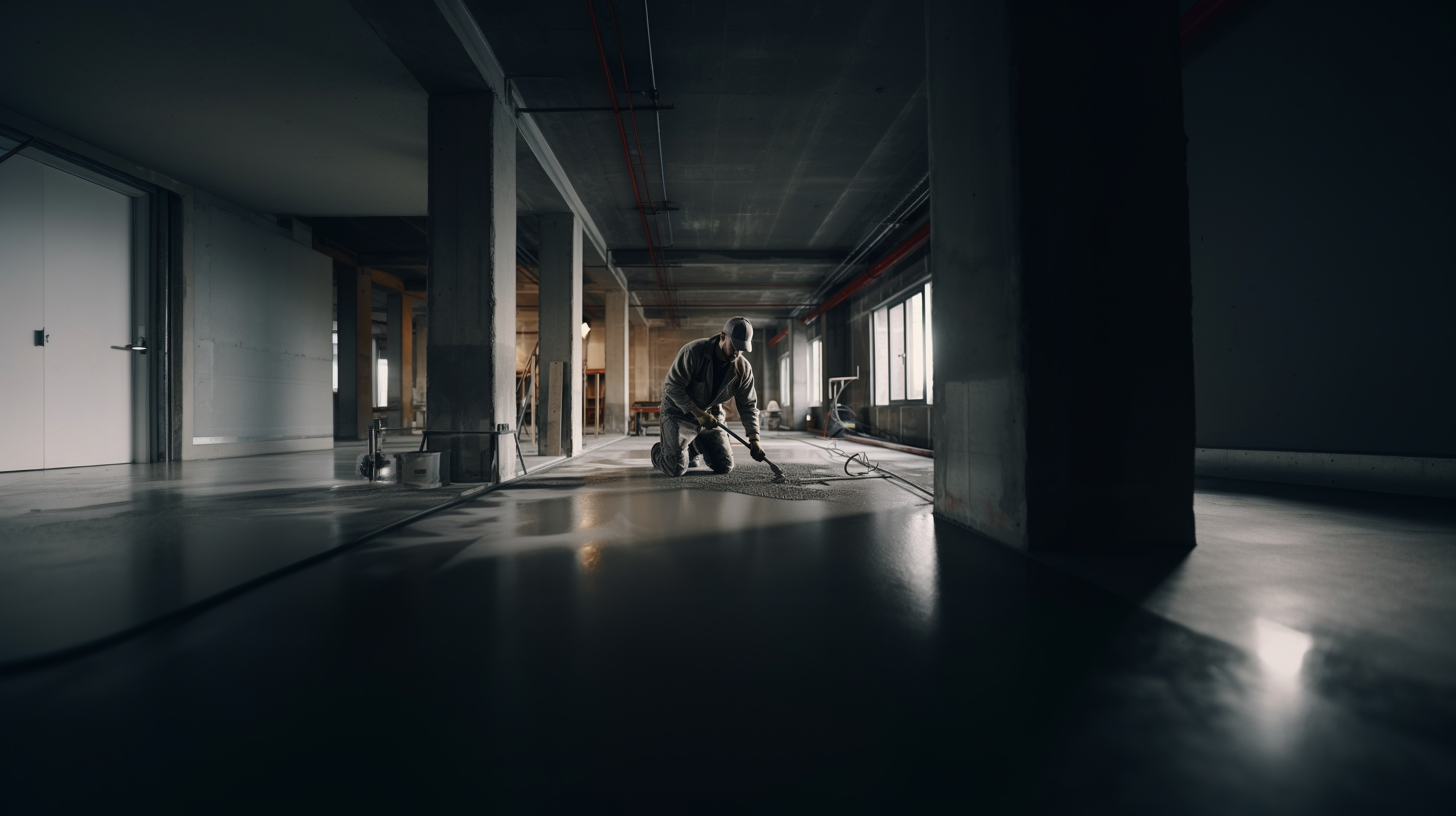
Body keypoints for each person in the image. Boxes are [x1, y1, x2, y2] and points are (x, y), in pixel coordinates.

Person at [652, 316, 767, 476]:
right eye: (734, 346)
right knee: (675, 468)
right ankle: (660, 451)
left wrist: (755, 440)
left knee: (724, 466)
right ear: (722, 337)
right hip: (678, 412)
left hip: (711, 415)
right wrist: (698, 414)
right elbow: (672, 387)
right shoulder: (693, 352)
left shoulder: (743, 369)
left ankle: (693, 446)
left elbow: (748, 405)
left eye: (742, 349)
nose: (737, 353)